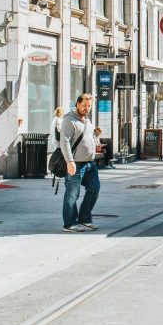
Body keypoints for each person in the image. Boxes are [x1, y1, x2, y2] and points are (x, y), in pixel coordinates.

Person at [60, 94, 102, 233]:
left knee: (94, 189)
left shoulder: (86, 120)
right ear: (77, 104)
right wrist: (70, 162)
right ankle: (69, 223)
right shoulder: (69, 120)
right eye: (84, 105)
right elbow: (64, 142)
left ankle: (84, 219)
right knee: (72, 194)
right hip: (76, 164)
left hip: (90, 164)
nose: (86, 108)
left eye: (89, 106)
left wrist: (95, 135)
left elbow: (87, 138)